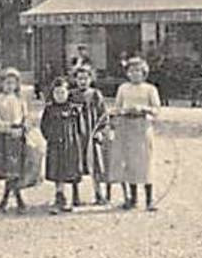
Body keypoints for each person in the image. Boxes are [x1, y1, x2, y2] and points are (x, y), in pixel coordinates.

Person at [111, 55, 162, 211]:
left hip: (143, 129)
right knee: (129, 163)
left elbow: (157, 110)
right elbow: (116, 108)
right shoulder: (123, 88)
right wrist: (122, 111)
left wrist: (143, 109)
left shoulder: (150, 89)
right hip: (127, 129)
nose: (135, 74)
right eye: (131, 71)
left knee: (146, 163)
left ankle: (149, 199)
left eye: (138, 71)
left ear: (144, 72)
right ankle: (132, 199)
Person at [39, 76, 85, 214]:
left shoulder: (74, 109)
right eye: (57, 92)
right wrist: (50, 137)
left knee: (72, 169)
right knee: (57, 170)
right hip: (55, 145)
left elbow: (80, 127)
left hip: (71, 144)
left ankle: (75, 196)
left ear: (67, 93)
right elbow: (44, 126)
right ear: (52, 94)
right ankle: (60, 196)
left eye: (62, 92)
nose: (60, 96)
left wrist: (78, 140)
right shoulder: (49, 109)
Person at [0, 67, 28, 212]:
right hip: (4, 137)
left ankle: (9, 198)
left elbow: (25, 118)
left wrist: (23, 128)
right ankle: (16, 198)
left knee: (16, 169)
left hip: (18, 137)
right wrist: (9, 130)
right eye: (7, 83)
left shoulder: (20, 100)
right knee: (9, 170)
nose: (10, 86)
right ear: (1, 84)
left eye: (13, 83)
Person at [70, 63, 111, 207]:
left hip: (91, 134)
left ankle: (98, 193)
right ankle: (75, 195)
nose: (82, 82)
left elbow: (103, 115)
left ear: (91, 79)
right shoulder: (71, 95)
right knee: (76, 164)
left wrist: (100, 131)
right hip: (76, 135)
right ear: (75, 80)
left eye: (85, 79)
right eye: (79, 79)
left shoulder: (95, 95)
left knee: (95, 164)